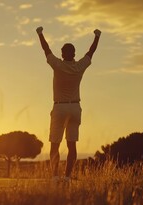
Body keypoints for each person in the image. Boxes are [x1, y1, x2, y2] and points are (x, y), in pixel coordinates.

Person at [36, 26, 101, 183]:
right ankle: (67, 177)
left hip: (59, 107)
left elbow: (46, 49)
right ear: (74, 54)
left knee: (55, 145)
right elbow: (91, 52)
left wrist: (40, 33)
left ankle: (55, 177)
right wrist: (97, 36)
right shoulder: (79, 66)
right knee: (72, 145)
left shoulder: (57, 64)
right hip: (75, 108)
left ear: (63, 54)